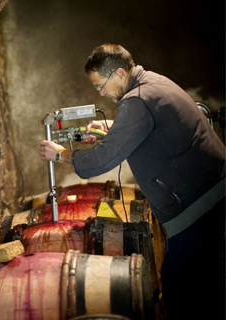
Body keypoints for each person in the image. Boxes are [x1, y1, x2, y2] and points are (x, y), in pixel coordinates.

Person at [39, 44, 225, 319]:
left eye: (101, 86)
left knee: (181, 288)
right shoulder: (152, 82)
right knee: (203, 282)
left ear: (119, 73)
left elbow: (103, 161)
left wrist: (62, 154)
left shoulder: (137, 101)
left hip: (195, 204)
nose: (100, 93)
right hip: (209, 191)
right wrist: (113, 128)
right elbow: (150, 125)